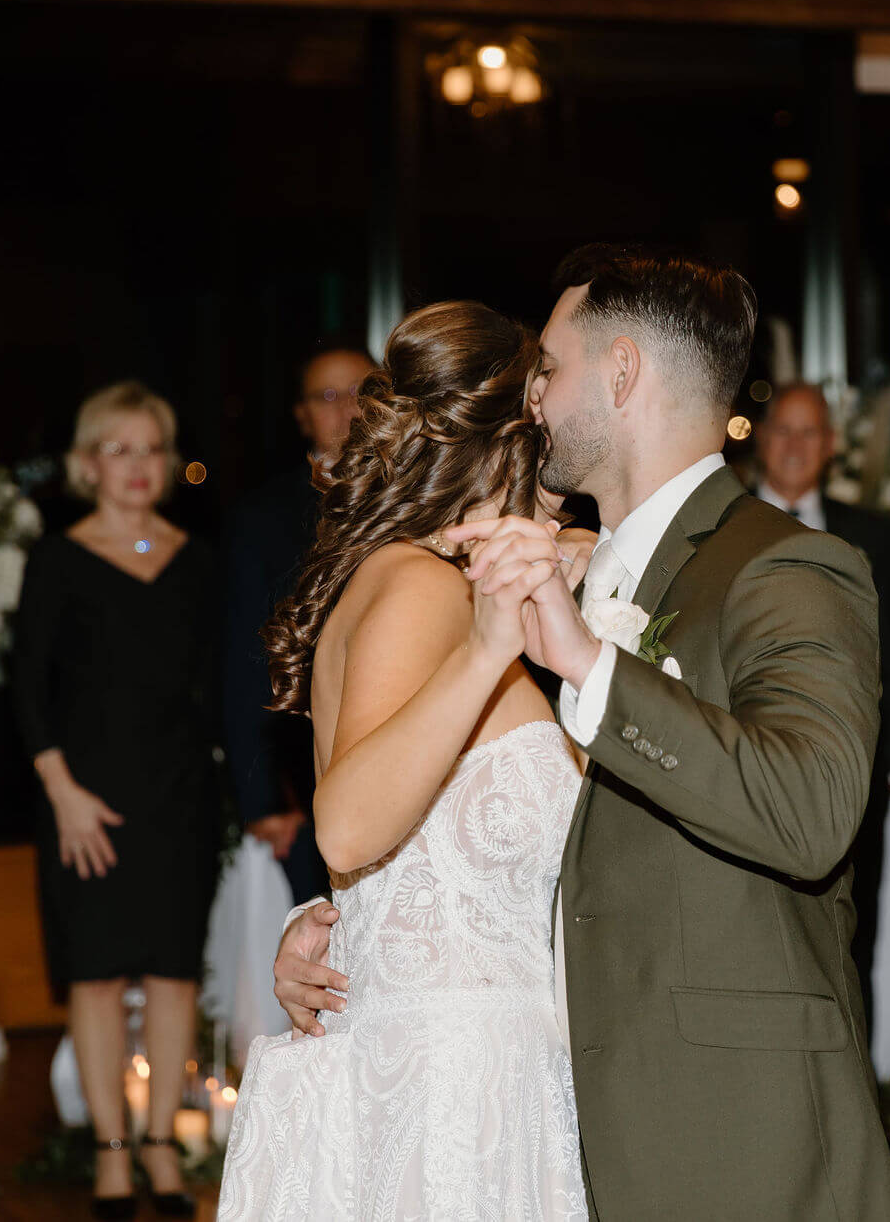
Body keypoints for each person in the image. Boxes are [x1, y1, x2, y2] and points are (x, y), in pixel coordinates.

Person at [268, 245, 890, 1219]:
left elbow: (811, 812)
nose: (536, 401)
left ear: (618, 374)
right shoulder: (524, 584)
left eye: (550, 372)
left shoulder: (780, 570)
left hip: (724, 1122)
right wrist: (338, 927)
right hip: (534, 1106)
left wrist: (585, 662)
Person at [215, 301, 587, 1219]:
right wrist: (487, 645)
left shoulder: (412, 578)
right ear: (507, 440)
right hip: (454, 1083)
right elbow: (346, 824)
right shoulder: (423, 588)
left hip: (462, 1057)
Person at [13, 381, 221, 1218]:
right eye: (120, 448)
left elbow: (219, 694)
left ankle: (162, 1148)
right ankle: (109, 1153)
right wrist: (63, 794)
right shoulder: (56, 559)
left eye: (152, 448)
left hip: (179, 801)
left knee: (173, 977)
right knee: (94, 980)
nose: (139, 466)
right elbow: (26, 691)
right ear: (88, 462)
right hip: (82, 804)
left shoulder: (199, 562)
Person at [755, 379, 890, 1168]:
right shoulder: (725, 523)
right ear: (760, 439)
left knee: (858, 939)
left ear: (829, 446)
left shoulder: (871, 534)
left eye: (809, 432)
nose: (794, 444)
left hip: (851, 776)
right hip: (744, 769)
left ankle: (861, 1125)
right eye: (782, 429)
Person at [222, 343, 376, 901]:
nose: (349, 409)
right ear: (302, 415)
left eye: (363, 391)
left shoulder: (419, 498)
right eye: (328, 396)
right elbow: (245, 657)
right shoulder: (261, 517)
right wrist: (260, 798)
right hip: (303, 766)